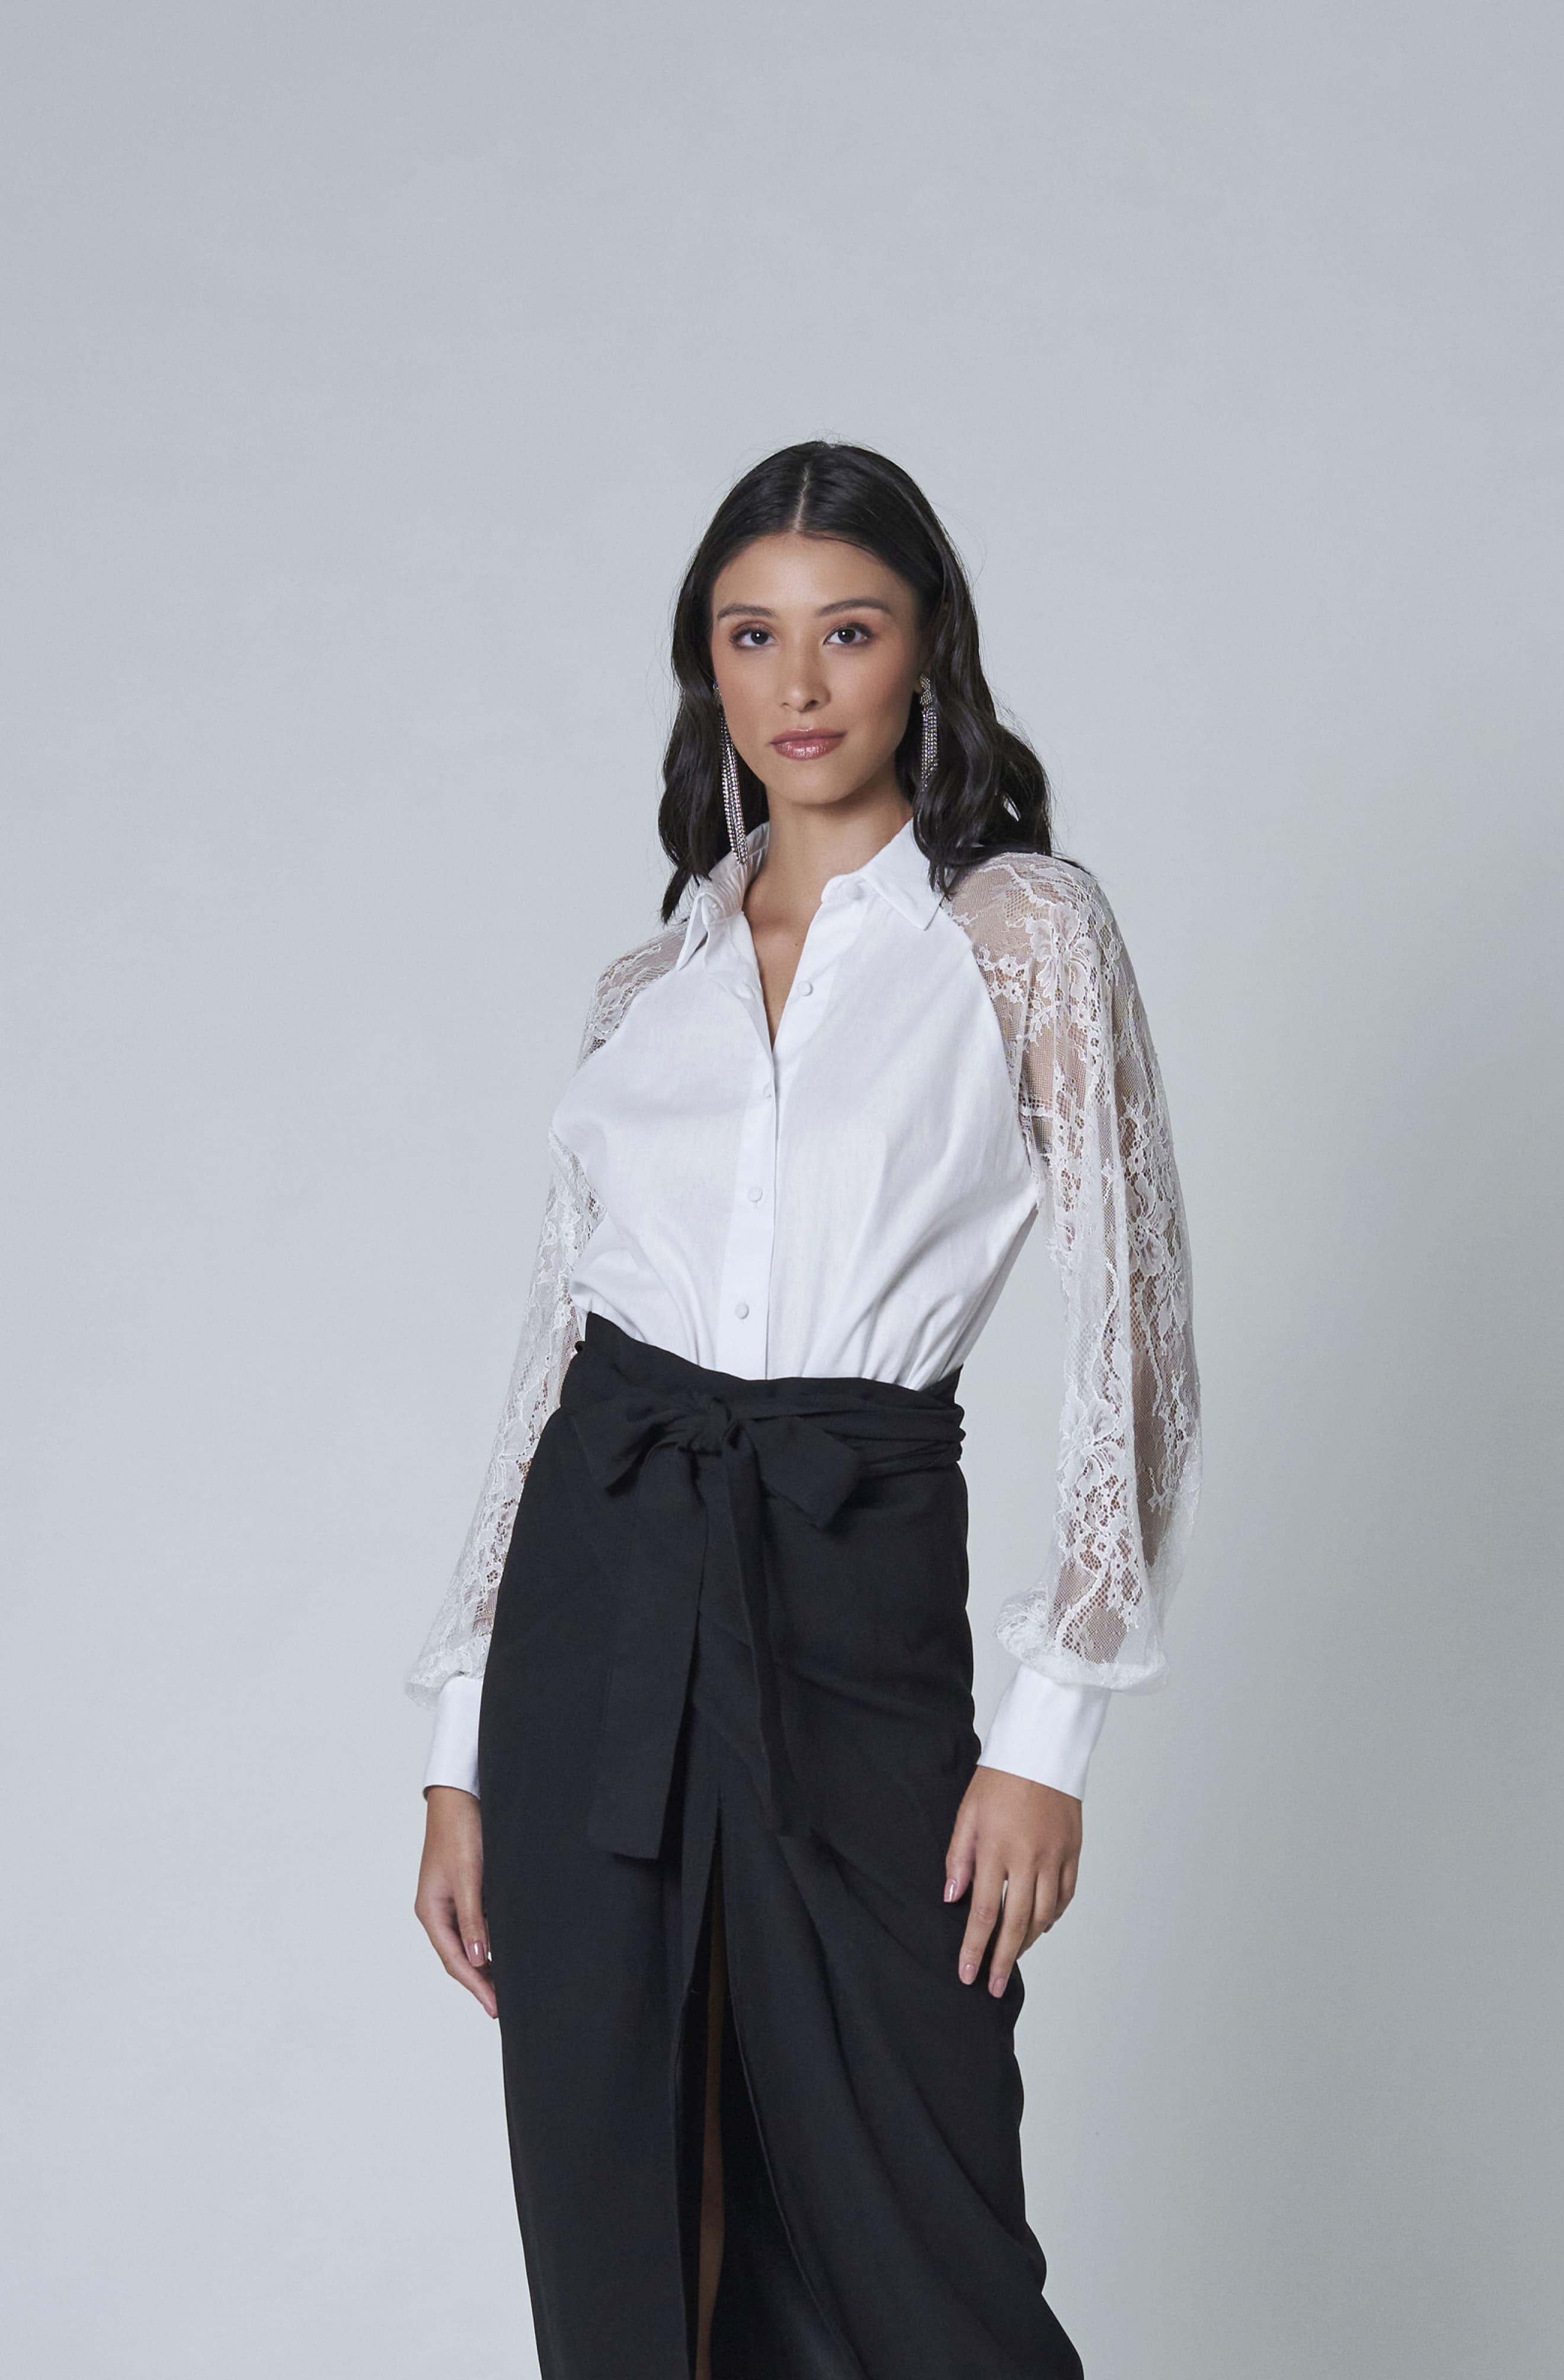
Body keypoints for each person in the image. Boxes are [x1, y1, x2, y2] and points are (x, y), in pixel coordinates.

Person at [409, 440, 1202, 2379]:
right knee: (619, 2176)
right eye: (751, 638)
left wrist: (1051, 1728)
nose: (799, 685)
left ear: (926, 653)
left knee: (920, 2220)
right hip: (597, 1613)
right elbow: (543, 1383)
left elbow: (1140, 1356)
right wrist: (458, 1743)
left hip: (851, 1603)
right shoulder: (643, 988)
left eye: (846, 632)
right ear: (708, 668)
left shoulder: (1020, 935)